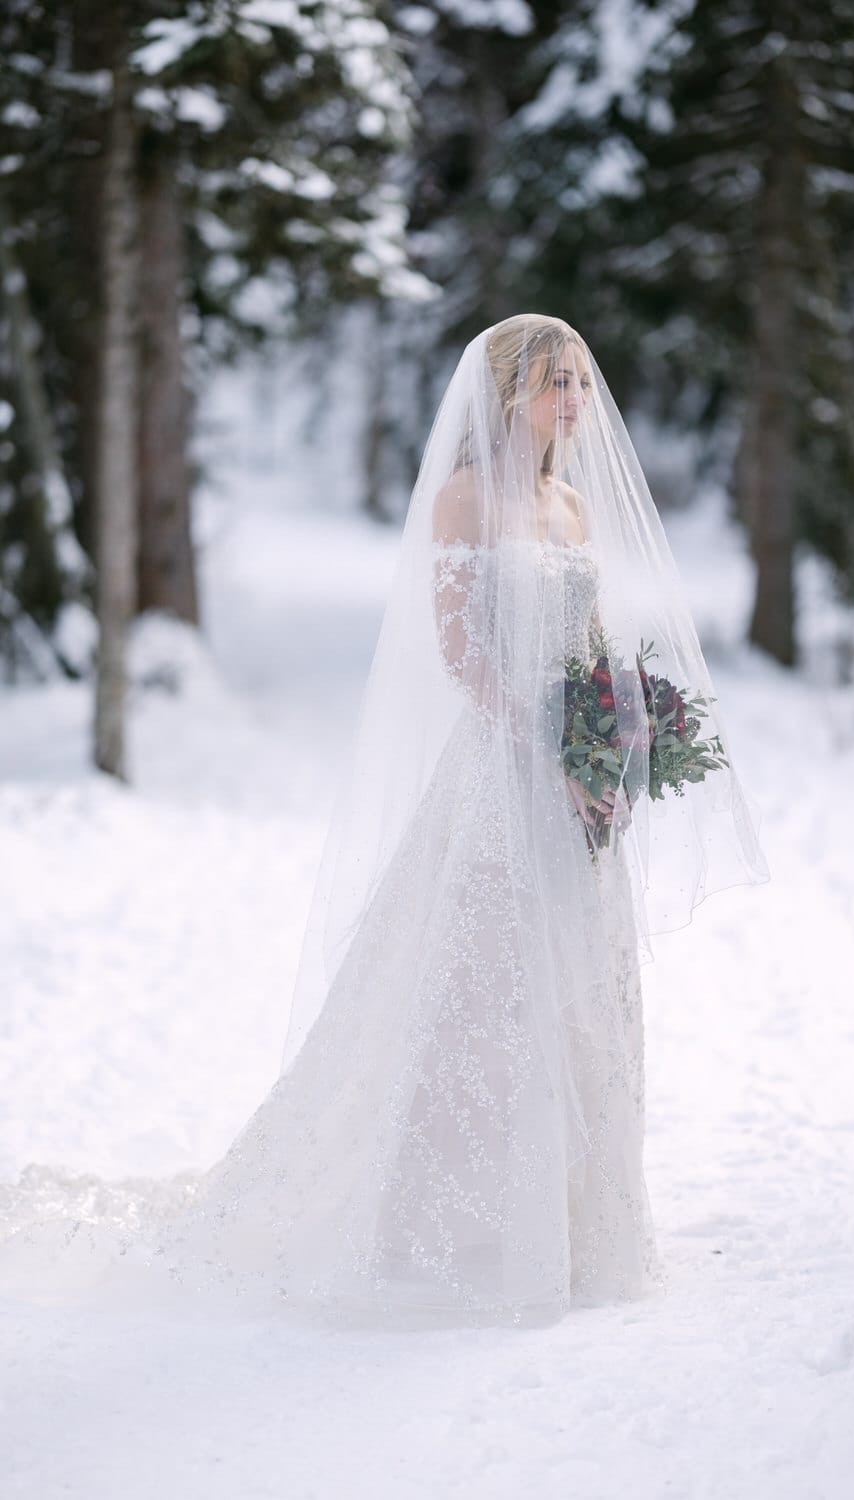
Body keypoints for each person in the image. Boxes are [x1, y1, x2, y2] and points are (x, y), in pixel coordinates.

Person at [0, 314, 768, 1329]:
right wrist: (551, 746)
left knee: (575, 987)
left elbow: (587, 644)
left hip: (575, 793)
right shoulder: (463, 502)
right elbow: (461, 652)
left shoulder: (574, 508)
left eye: (581, 385)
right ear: (507, 396)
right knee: (472, 989)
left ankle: (573, 1217)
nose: (573, 404)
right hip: (499, 775)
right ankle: (437, 1215)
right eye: (555, 385)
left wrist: (611, 746)